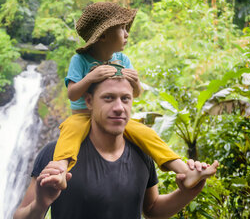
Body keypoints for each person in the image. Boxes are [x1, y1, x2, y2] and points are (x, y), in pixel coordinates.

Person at [52, 2, 217, 189]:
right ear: (104, 35)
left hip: (115, 118)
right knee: (69, 132)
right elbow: (72, 94)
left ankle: (184, 171)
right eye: (121, 28)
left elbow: (136, 93)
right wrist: (90, 78)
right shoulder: (80, 60)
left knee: (146, 133)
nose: (127, 33)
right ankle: (59, 172)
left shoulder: (123, 59)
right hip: (82, 116)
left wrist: (136, 82)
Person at [14, 75, 219, 219]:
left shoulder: (142, 153)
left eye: (125, 99)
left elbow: (152, 209)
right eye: (108, 98)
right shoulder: (57, 155)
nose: (119, 108)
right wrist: (40, 204)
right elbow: (20, 217)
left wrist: (188, 192)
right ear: (89, 102)